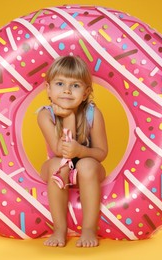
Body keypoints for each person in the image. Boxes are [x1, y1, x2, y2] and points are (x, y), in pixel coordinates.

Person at [37, 55, 108, 247]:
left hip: (88, 165)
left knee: (86, 166)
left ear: (85, 93)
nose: (67, 90)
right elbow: (61, 151)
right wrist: (69, 116)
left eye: (75, 86)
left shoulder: (93, 113)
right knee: (56, 166)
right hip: (59, 165)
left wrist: (81, 151)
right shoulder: (45, 115)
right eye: (60, 83)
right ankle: (59, 229)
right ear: (48, 89)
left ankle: (88, 229)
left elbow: (101, 153)